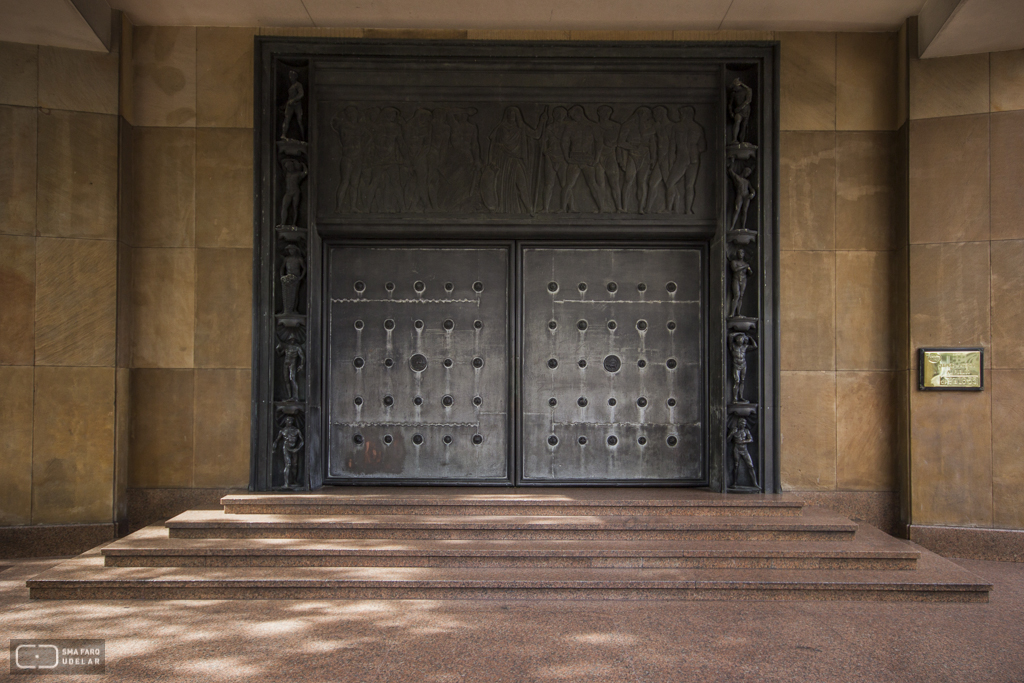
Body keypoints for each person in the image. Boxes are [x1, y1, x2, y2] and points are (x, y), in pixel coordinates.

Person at [728, 417, 760, 488]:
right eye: (742, 423)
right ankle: (734, 482)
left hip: (744, 450)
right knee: (736, 465)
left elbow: (751, 439)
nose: (743, 425)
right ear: (739, 424)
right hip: (737, 449)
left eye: (744, 424)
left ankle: (755, 483)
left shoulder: (746, 431)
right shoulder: (735, 430)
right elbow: (727, 440)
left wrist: (743, 441)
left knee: (750, 465)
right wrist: (731, 434)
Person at [274, 416, 304, 489]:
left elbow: (302, 441)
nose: (289, 422)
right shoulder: (282, 431)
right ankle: (286, 483)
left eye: (290, 421)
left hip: (294, 448)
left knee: (295, 465)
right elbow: (277, 440)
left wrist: (297, 448)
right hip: (286, 448)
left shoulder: (296, 430)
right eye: (287, 421)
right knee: (288, 464)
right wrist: (274, 446)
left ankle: (294, 481)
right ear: (285, 422)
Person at [281, 70, 305, 140]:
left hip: (297, 105)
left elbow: (301, 94)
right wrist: (285, 106)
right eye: (290, 76)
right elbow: (289, 98)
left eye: (292, 76)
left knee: (299, 120)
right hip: (290, 105)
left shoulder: (298, 85)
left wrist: (294, 100)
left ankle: (303, 136)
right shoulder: (291, 86)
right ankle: (283, 134)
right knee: (286, 119)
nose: (290, 77)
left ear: (295, 77)